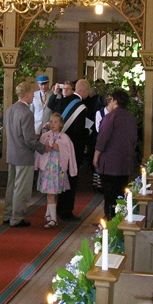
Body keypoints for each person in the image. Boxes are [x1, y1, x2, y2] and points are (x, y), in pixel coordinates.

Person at [3, 82, 47, 227]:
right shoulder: (27, 112)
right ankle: (17, 218)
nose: (33, 97)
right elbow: (29, 139)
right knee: (21, 188)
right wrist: (42, 147)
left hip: (11, 153)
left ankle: (8, 214)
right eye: (33, 94)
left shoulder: (9, 110)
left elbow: (14, 133)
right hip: (23, 155)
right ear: (27, 94)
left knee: (11, 186)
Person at [94, 89, 137, 220]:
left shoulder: (111, 116)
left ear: (115, 101)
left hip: (110, 163)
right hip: (125, 163)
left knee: (109, 194)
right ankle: (120, 219)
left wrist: (96, 155)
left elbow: (103, 137)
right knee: (120, 193)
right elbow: (134, 140)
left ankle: (110, 220)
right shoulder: (131, 118)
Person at [57, 79, 92, 221]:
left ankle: (58, 208)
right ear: (83, 91)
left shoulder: (63, 101)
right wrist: (89, 131)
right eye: (87, 92)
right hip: (72, 149)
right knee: (71, 179)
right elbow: (78, 132)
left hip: (59, 146)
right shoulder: (81, 107)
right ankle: (66, 211)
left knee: (61, 178)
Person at [34, 113, 77, 228]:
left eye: (56, 122)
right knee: (50, 193)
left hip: (57, 169)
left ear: (61, 124)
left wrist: (59, 148)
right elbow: (39, 151)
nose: (53, 124)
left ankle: (52, 217)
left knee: (52, 193)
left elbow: (70, 153)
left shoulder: (64, 137)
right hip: (47, 168)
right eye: (51, 121)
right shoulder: (45, 136)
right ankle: (51, 217)